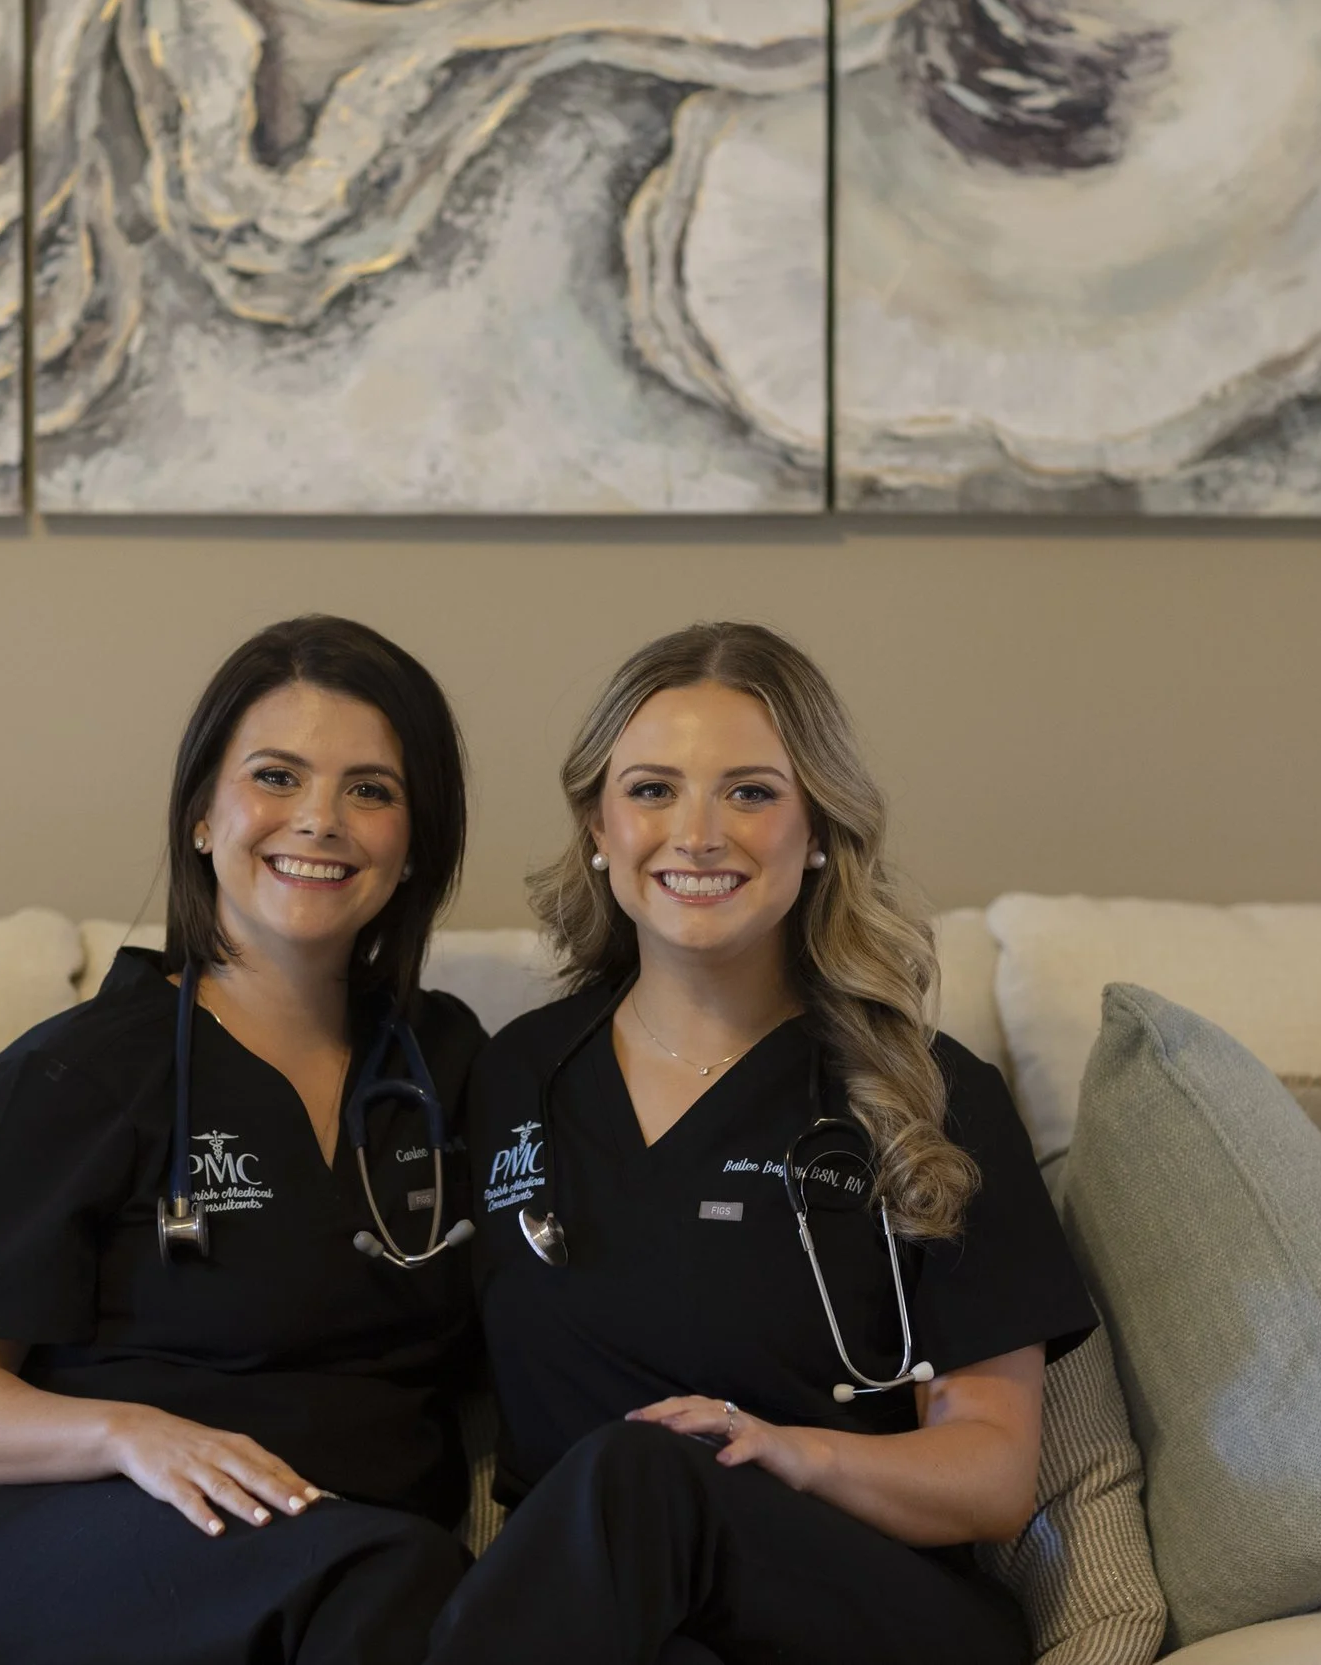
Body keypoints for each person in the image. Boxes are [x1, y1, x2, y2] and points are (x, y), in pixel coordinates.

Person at [433, 622, 1096, 1665]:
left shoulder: (929, 1091)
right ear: (599, 825)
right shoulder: (515, 1073)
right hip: (608, 1620)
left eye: (749, 791)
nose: (697, 832)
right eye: (652, 788)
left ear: (819, 829)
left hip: (867, 1606)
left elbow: (993, 1477)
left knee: (643, 1467)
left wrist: (787, 1452)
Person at [0, 616, 486, 1665]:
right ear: (203, 814)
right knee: (394, 1583)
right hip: (59, 1540)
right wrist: (129, 1432)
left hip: (344, 1559)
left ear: (415, 837)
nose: (321, 819)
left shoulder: (446, 1063)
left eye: (371, 789)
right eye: (276, 776)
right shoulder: (77, 1072)